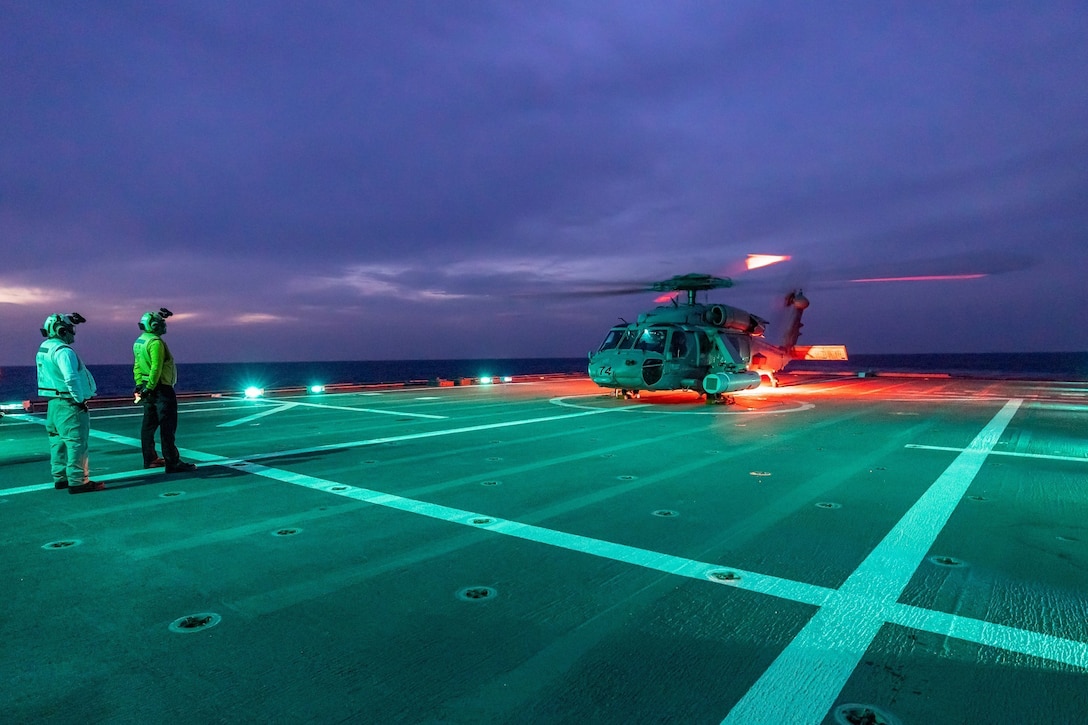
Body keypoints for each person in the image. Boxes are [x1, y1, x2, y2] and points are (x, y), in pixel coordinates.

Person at [36, 312, 104, 494]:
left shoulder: (44, 348)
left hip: (53, 404)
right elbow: (71, 377)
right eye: (70, 329)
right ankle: (78, 481)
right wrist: (79, 399)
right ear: (61, 330)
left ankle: (60, 478)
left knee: (57, 443)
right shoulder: (64, 351)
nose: (72, 333)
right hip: (68, 405)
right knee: (76, 443)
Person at [133, 308, 196, 473]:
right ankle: (172, 462)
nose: (164, 325)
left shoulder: (139, 341)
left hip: (147, 387)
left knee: (148, 426)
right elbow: (156, 367)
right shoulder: (156, 343)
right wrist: (151, 387)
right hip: (161, 389)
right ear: (154, 325)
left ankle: (150, 459)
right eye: (161, 323)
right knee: (167, 427)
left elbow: (137, 365)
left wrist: (141, 385)